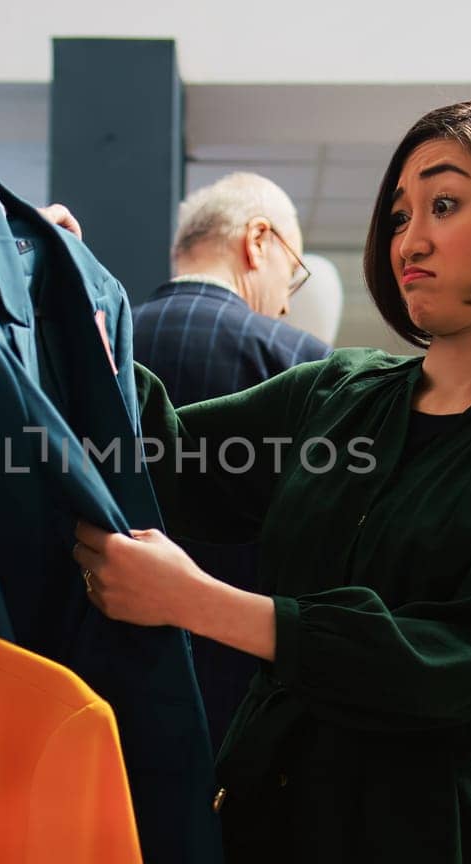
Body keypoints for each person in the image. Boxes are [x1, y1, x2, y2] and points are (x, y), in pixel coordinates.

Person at [66, 98, 471, 864]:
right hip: (260, 815)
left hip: (417, 849)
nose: (409, 239)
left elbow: (449, 664)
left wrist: (195, 601)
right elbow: (164, 459)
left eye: (444, 205)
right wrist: (81, 306)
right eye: (401, 213)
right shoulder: (337, 394)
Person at [131, 173, 332, 748]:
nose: (288, 299)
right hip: (242, 692)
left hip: (99, 672)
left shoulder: (99, 349)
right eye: (291, 272)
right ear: (257, 241)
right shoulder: (301, 366)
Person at [132, 172, 331, 407]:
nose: (285, 307)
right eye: (291, 272)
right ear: (257, 241)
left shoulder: (102, 338)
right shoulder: (304, 362)